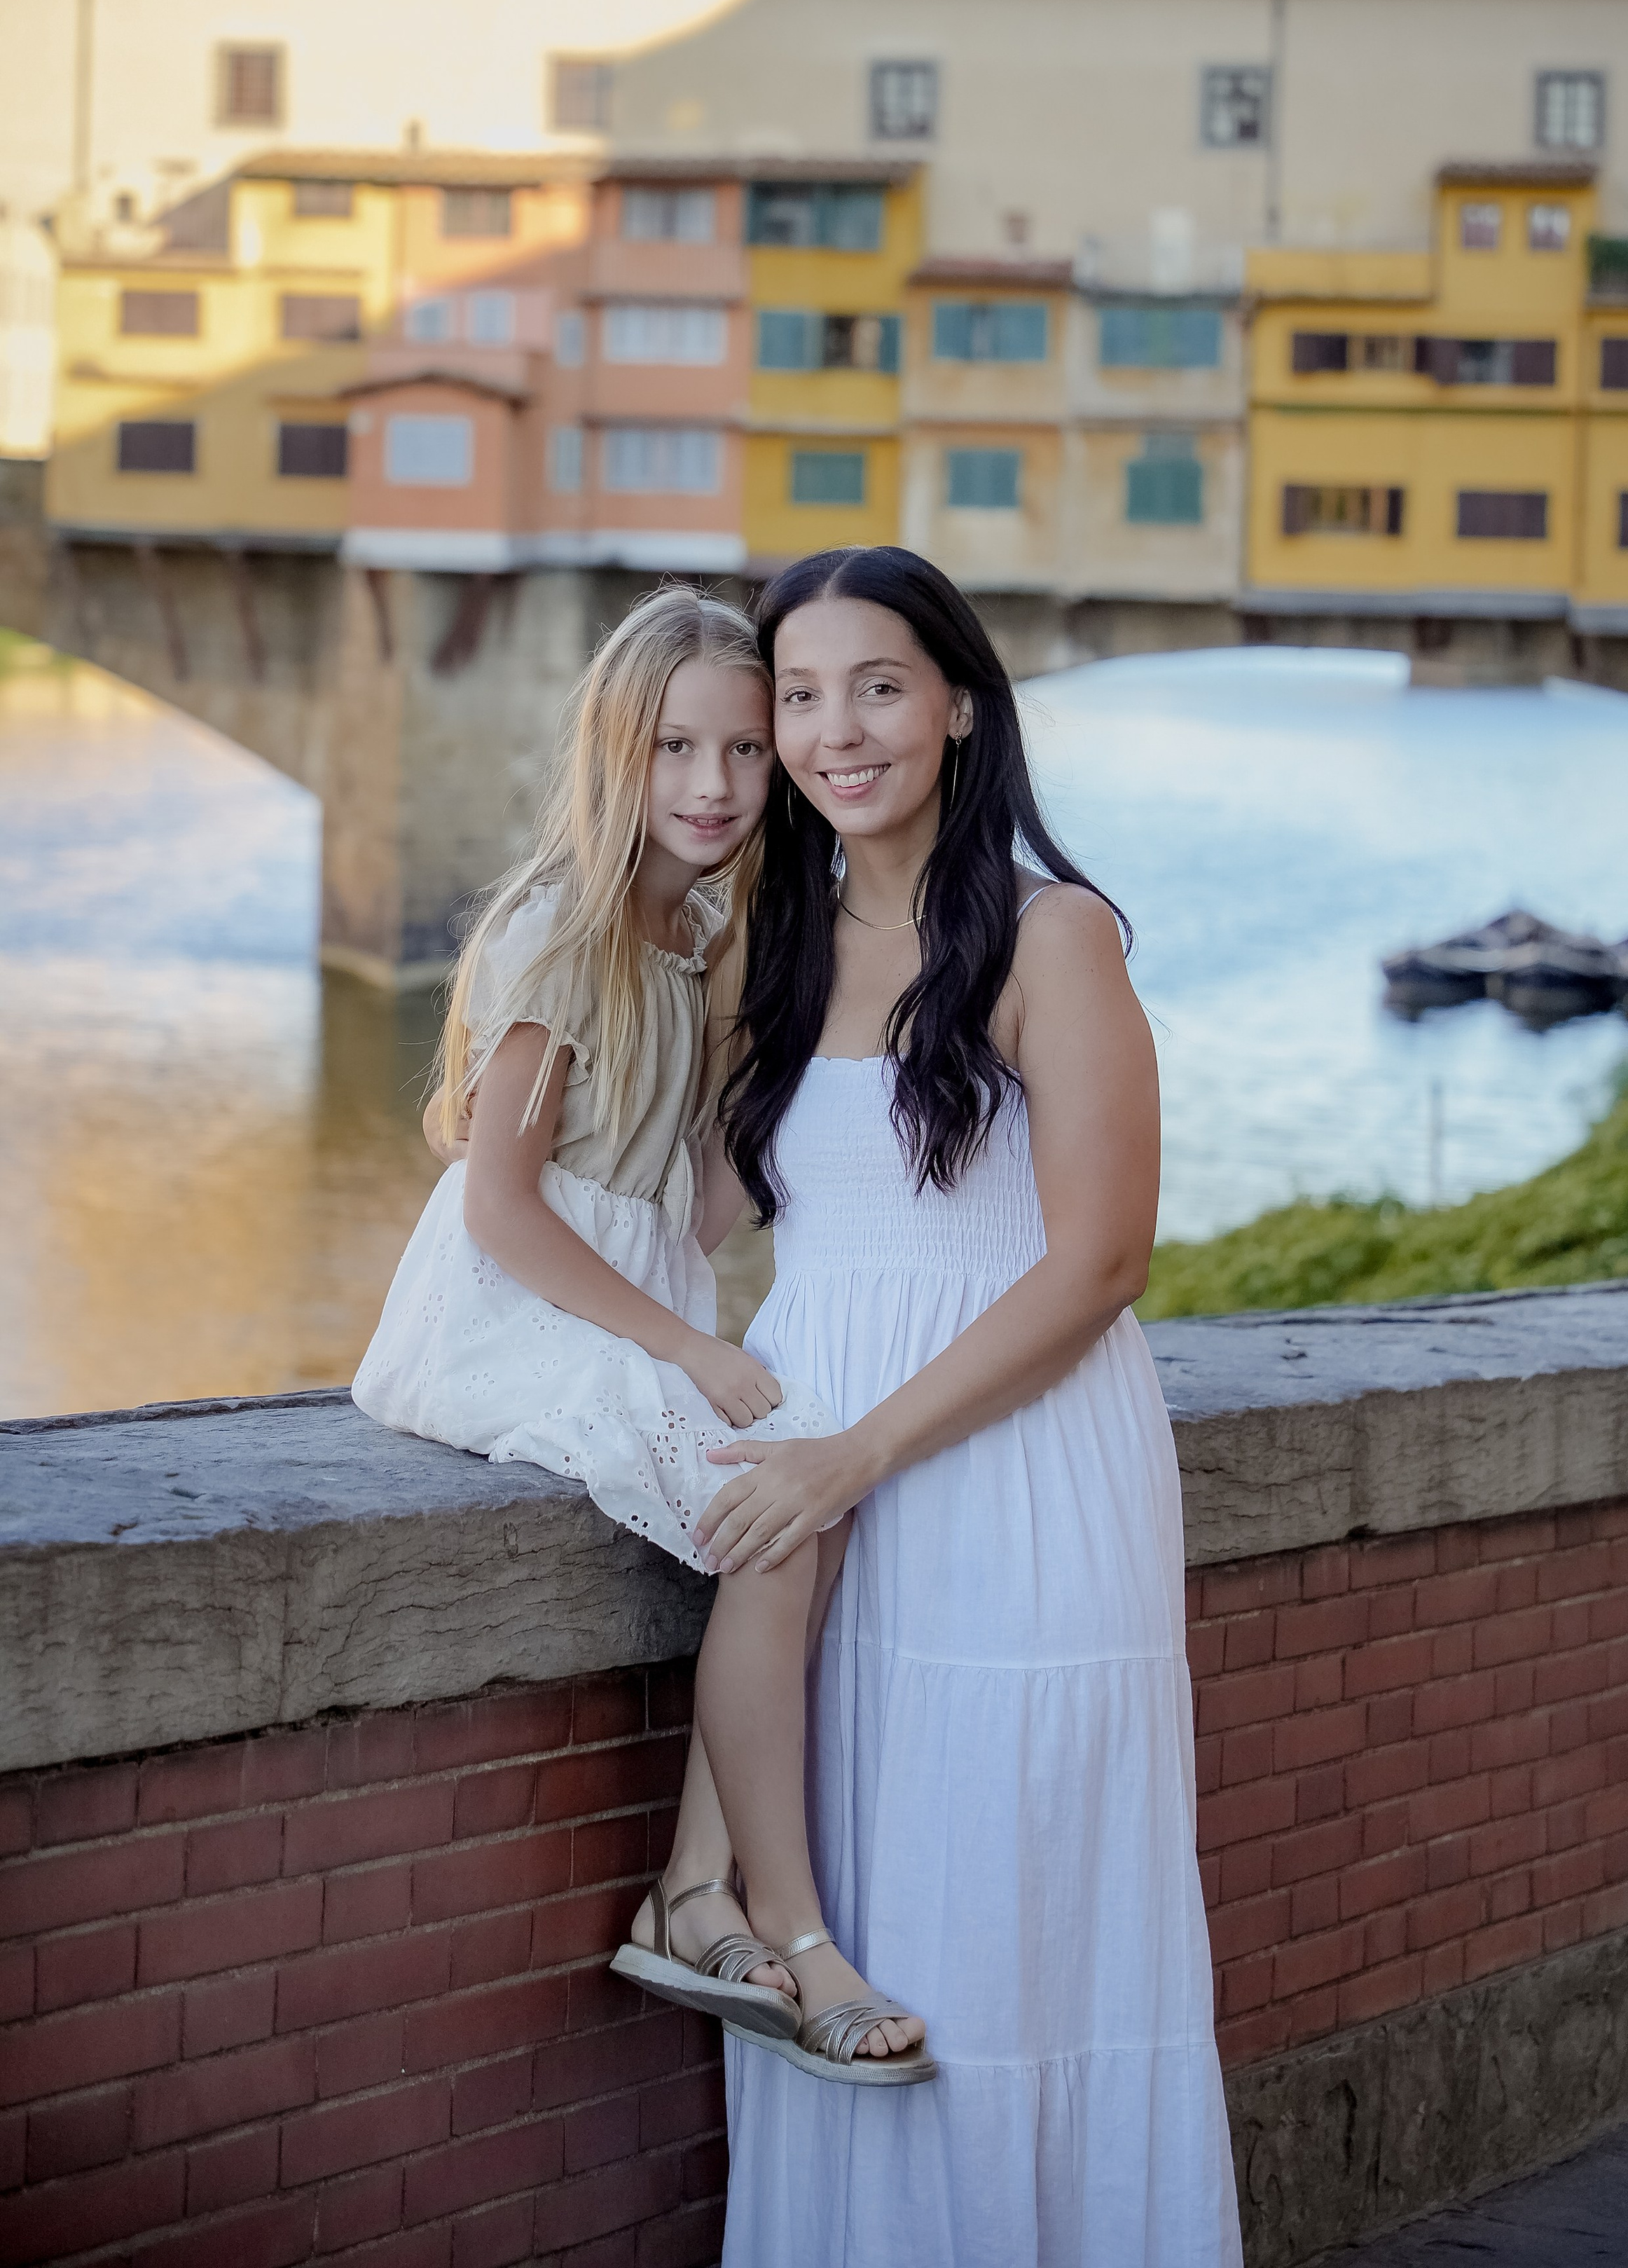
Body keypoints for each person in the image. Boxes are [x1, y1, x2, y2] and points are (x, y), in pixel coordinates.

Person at [695, 547, 1243, 2265]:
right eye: (797, 696)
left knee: (1005, 1923)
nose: (835, 731)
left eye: (877, 686)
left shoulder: (1048, 933)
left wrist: (852, 1455)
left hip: (1009, 1478)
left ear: (956, 705)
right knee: (852, 1914)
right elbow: (689, 1214)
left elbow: (1100, 1262)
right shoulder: (772, 939)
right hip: (817, 1497)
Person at [352, 585, 930, 2069]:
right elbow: (502, 1210)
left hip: (626, 1305)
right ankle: (775, 1919)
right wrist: (689, 1349)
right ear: (618, 752)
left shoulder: (700, 935)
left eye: (742, 751)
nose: (713, 785)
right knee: (780, 1517)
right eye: (676, 748)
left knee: (801, 1498)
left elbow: (703, 1201)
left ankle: (693, 1888)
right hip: (506, 1315)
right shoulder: (563, 929)